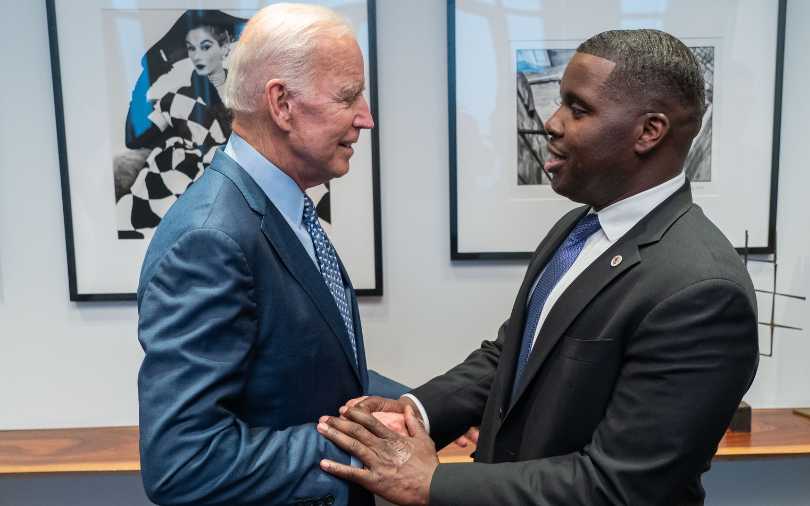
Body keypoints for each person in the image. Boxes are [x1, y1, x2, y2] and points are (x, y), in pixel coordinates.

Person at [316, 29, 759, 505]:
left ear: (649, 132)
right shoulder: (577, 229)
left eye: (579, 108)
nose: (552, 122)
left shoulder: (702, 289)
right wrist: (418, 412)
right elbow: (512, 357)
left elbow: (623, 487)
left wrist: (432, 484)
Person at [136, 4, 403, 505]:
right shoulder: (210, 238)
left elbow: (304, 369)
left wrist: (413, 406)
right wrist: (361, 448)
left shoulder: (282, 208)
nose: (365, 117)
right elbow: (183, 462)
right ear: (281, 104)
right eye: (349, 96)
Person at [116, 13, 240, 238]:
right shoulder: (176, 100)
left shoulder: (248, 97)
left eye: (205, 46)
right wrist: (150, 70)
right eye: (191, 48)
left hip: (237, 195)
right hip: (186, 191)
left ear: (224, 47)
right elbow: (135, 137)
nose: (197, 55)